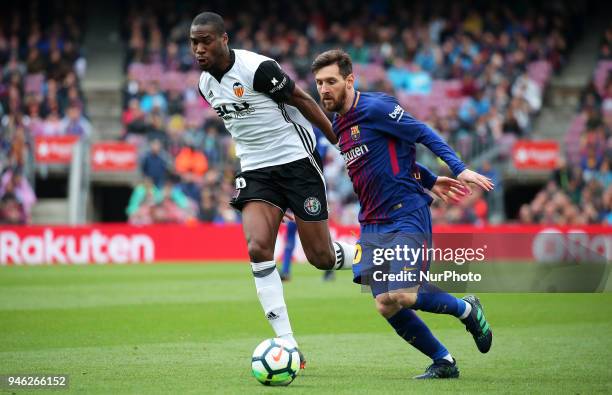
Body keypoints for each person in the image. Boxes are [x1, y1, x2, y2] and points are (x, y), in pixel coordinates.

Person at [311, 49, 494, 379]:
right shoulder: (338, 124)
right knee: (385, 304)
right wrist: (428, 178)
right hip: (372, 222)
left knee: (404, 294)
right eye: (319, 83)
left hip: (406, 213)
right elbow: (383, 159)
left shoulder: (377, 107)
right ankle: (444, 362)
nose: (324, 89)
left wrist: (458, 168)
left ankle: (467, 310)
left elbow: (421, 133)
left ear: (350, 80)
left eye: (331, 82)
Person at [189, 12, 355, 367]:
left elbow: (305, 101)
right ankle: (288, 343)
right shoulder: (205, 85)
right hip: (256, 170)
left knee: (321, 257)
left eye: (205, 41)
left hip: (296, 162)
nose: (199, 49)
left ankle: (370, 255)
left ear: (223, 39)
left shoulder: (257, 69)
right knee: (258, 247)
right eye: (194, 42)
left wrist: (342, 145)